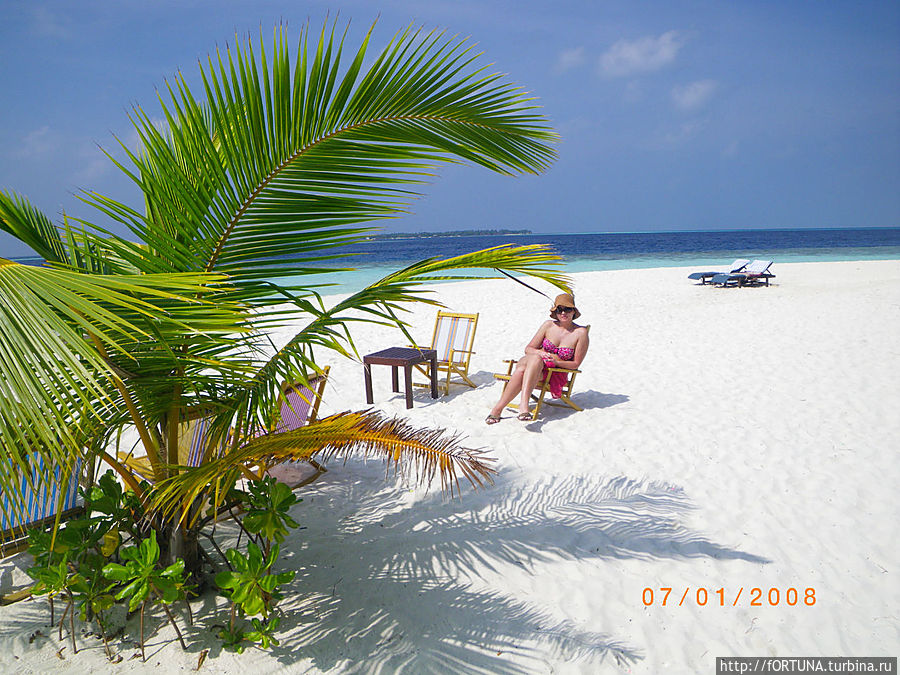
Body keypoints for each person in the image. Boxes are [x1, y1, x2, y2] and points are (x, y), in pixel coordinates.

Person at [486, 292, 589, 423]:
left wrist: (556, 362)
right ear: (555, 312)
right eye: (559, 309)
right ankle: (524, 406)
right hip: (532, 362)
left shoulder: (580, 333)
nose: (563, 313)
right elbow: (528, 349)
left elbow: (575, 364)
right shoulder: (548, 325)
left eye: (567, 309)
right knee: (535, 358)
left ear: (574, 311)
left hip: (553, 372)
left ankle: (497, 410)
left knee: (521, 372)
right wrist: (540, 353)